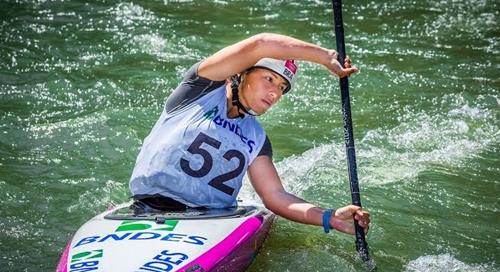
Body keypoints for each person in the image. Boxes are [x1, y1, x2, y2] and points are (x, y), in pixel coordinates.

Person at [129, 32, 370, 236]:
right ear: (242, 73)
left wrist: (330, 218)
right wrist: (325, 58)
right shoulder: (198, 89)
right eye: (269, 79)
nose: (275, 93)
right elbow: (260, 44)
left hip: (207, 225)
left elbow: (275, 196)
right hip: (146, 209)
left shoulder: (258, 139)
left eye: (282, 88)